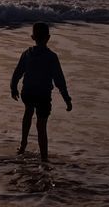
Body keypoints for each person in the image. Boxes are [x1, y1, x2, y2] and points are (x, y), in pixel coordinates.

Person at [10, 22, 72, 161]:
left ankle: (23, 145)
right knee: (41, 125)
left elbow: (17, 72)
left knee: (28, 114)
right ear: (48, 38)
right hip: (43, 95)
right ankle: (44, 157)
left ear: (32, 37)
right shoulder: (51, 57)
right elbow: (59, 80)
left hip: (28, 92)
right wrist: (67, 99)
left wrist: (13, 87)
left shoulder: (27, 54)